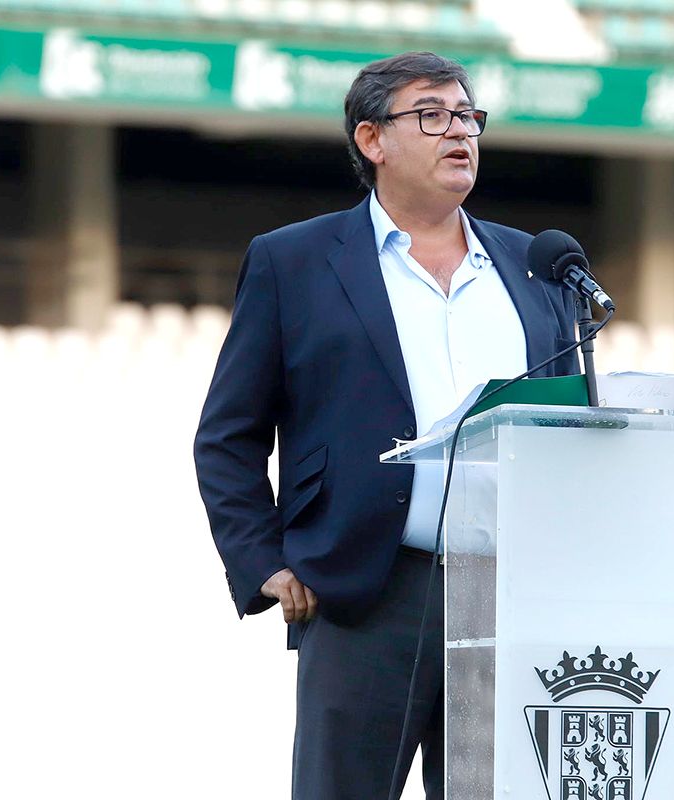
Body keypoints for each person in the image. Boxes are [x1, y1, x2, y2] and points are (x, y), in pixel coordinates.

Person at [193, 51, 579, 800]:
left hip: (513, 591)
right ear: (372, 140)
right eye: (431, 115)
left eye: (468, 116)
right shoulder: (294, 261)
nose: (458, 132)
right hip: (365, 588)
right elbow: (227, 435)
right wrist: (262, 559)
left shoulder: (533, 266)